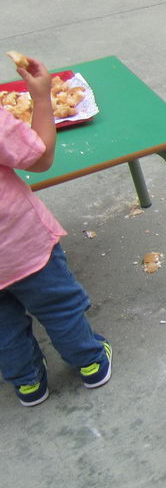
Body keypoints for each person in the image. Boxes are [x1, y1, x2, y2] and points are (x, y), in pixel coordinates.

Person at [1, 55, 112, 407]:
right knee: (58, 307)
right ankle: (90, 362)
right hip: (22, 244)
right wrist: (42, 98)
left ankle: (28, 382)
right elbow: (40, 157)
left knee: (3, 327)